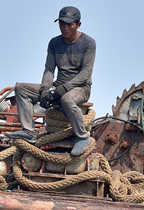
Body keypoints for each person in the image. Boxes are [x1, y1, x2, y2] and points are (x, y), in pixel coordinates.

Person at [6, 6, 96, 157]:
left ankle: (82, 137)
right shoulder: (54, 43)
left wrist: (64, 89)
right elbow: (49, 69)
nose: (64, 28)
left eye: (69, 24)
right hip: (58, 85)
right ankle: (29, 131)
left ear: (78, 25)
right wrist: (44, 90)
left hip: (81, 88)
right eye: (62, 23)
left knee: (67, 99)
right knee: (21, 89)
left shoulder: (89, 43)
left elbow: (85, 74)